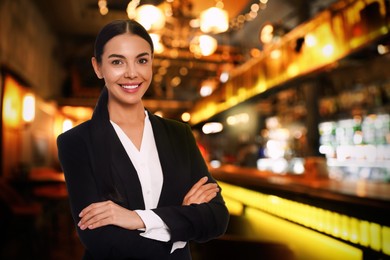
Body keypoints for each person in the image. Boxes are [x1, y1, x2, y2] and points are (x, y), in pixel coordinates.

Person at [56, 19, 229, 259]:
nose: (131, 73)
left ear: (151, 64)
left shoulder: (180, 134)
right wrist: (180, 221)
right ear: (97, 67)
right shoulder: (75, 142)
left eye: (142, 60)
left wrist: (136, 218)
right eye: (117, 61)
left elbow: (217, 218)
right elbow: (98, 238)